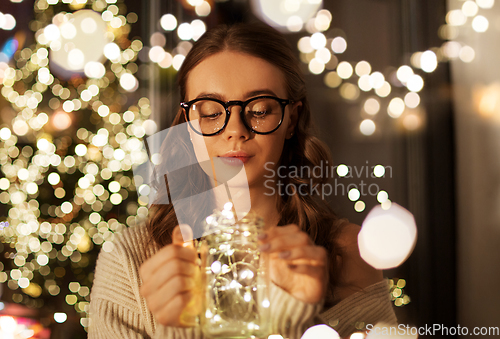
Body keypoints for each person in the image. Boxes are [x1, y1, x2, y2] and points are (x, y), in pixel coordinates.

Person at [88, 22, 398, 339]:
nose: (235, 129)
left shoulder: (345, 253)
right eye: (210, 112)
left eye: (260, 110)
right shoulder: (130, 259)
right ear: (187, 124)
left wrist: (297, 318)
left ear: (291, 119)